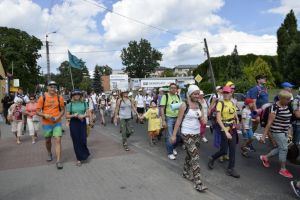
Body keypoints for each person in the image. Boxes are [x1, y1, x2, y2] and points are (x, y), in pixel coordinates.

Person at [171, 85, 208, 192]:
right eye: (195, 94)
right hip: (186, 134)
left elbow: (202, 119)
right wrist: (173, 135)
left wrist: (204, 117)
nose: (197, 96)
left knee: (189, 155)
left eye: (198, 94)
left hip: (196, 134)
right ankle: (198, 183)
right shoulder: (184, 105)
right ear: (190, 94)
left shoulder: (199, 105)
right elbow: (178, 121)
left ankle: (185, 173)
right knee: (195, 157)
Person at [208, 86, 240, 178]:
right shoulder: (220, 103)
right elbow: (218, 119)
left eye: (228, 93)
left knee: (233, 149)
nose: (226, 94)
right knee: (223, 150)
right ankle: (212, 158)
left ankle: (231, 169)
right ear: (222, 93)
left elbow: (234, 114)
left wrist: (237, 121)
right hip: (224, 128)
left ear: (231, 93)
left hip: (232, 128)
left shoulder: (232, 102)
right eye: (224, 93)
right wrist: (225, 132)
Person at [260, 90, 294, 178]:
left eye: (289, 99)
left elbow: (288, 120)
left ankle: (265, 157)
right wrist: (263, 136)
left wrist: (289, 133)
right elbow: (269, 123)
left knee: (281, 148)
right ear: (281, 99)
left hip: (285, 131)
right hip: (277, 131)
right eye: (287, 99)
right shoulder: (274, 107)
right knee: (284, 149)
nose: (289, 101)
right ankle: (283, 169)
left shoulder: (287, 105)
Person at [36, 81, 65, 170]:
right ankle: (49, 153)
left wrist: (58, 117)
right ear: (47, 88)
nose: (53, 89)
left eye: (54, 87)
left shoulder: (60, 97)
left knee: (58, 139)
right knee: (48, 140)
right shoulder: (42, 98)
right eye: (51, 87)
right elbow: (37, 111)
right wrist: (45, 115)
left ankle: (58, 161)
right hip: (46, 123)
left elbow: (63, 110)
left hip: (57, 122)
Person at [66, 89, 90, 167]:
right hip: (74, 123)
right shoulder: (70, 104)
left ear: (80, 95)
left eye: (78, 94)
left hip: (82, 122)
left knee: (83, 139)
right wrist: (74, 115)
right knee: (76, 140)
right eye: (75, 95)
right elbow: (66, 116)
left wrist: (83, 115)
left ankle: (84, 154)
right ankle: (78, 159)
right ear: (72, 96)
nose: (77, 96)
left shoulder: (84, 103)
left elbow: (88, 113)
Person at [160, 83, 182, 160]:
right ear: (169, 89)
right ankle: (170, 153)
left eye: (175, 88)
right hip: (169, 118)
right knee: (169, 136)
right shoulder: (165, 96)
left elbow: (181, 107)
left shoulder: (178, 96)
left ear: (177, 89)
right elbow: (162, 108)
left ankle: (173, 147)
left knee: (178, 135)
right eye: (172, 88)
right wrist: (163, 120)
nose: (173, 89)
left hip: (177, 118)